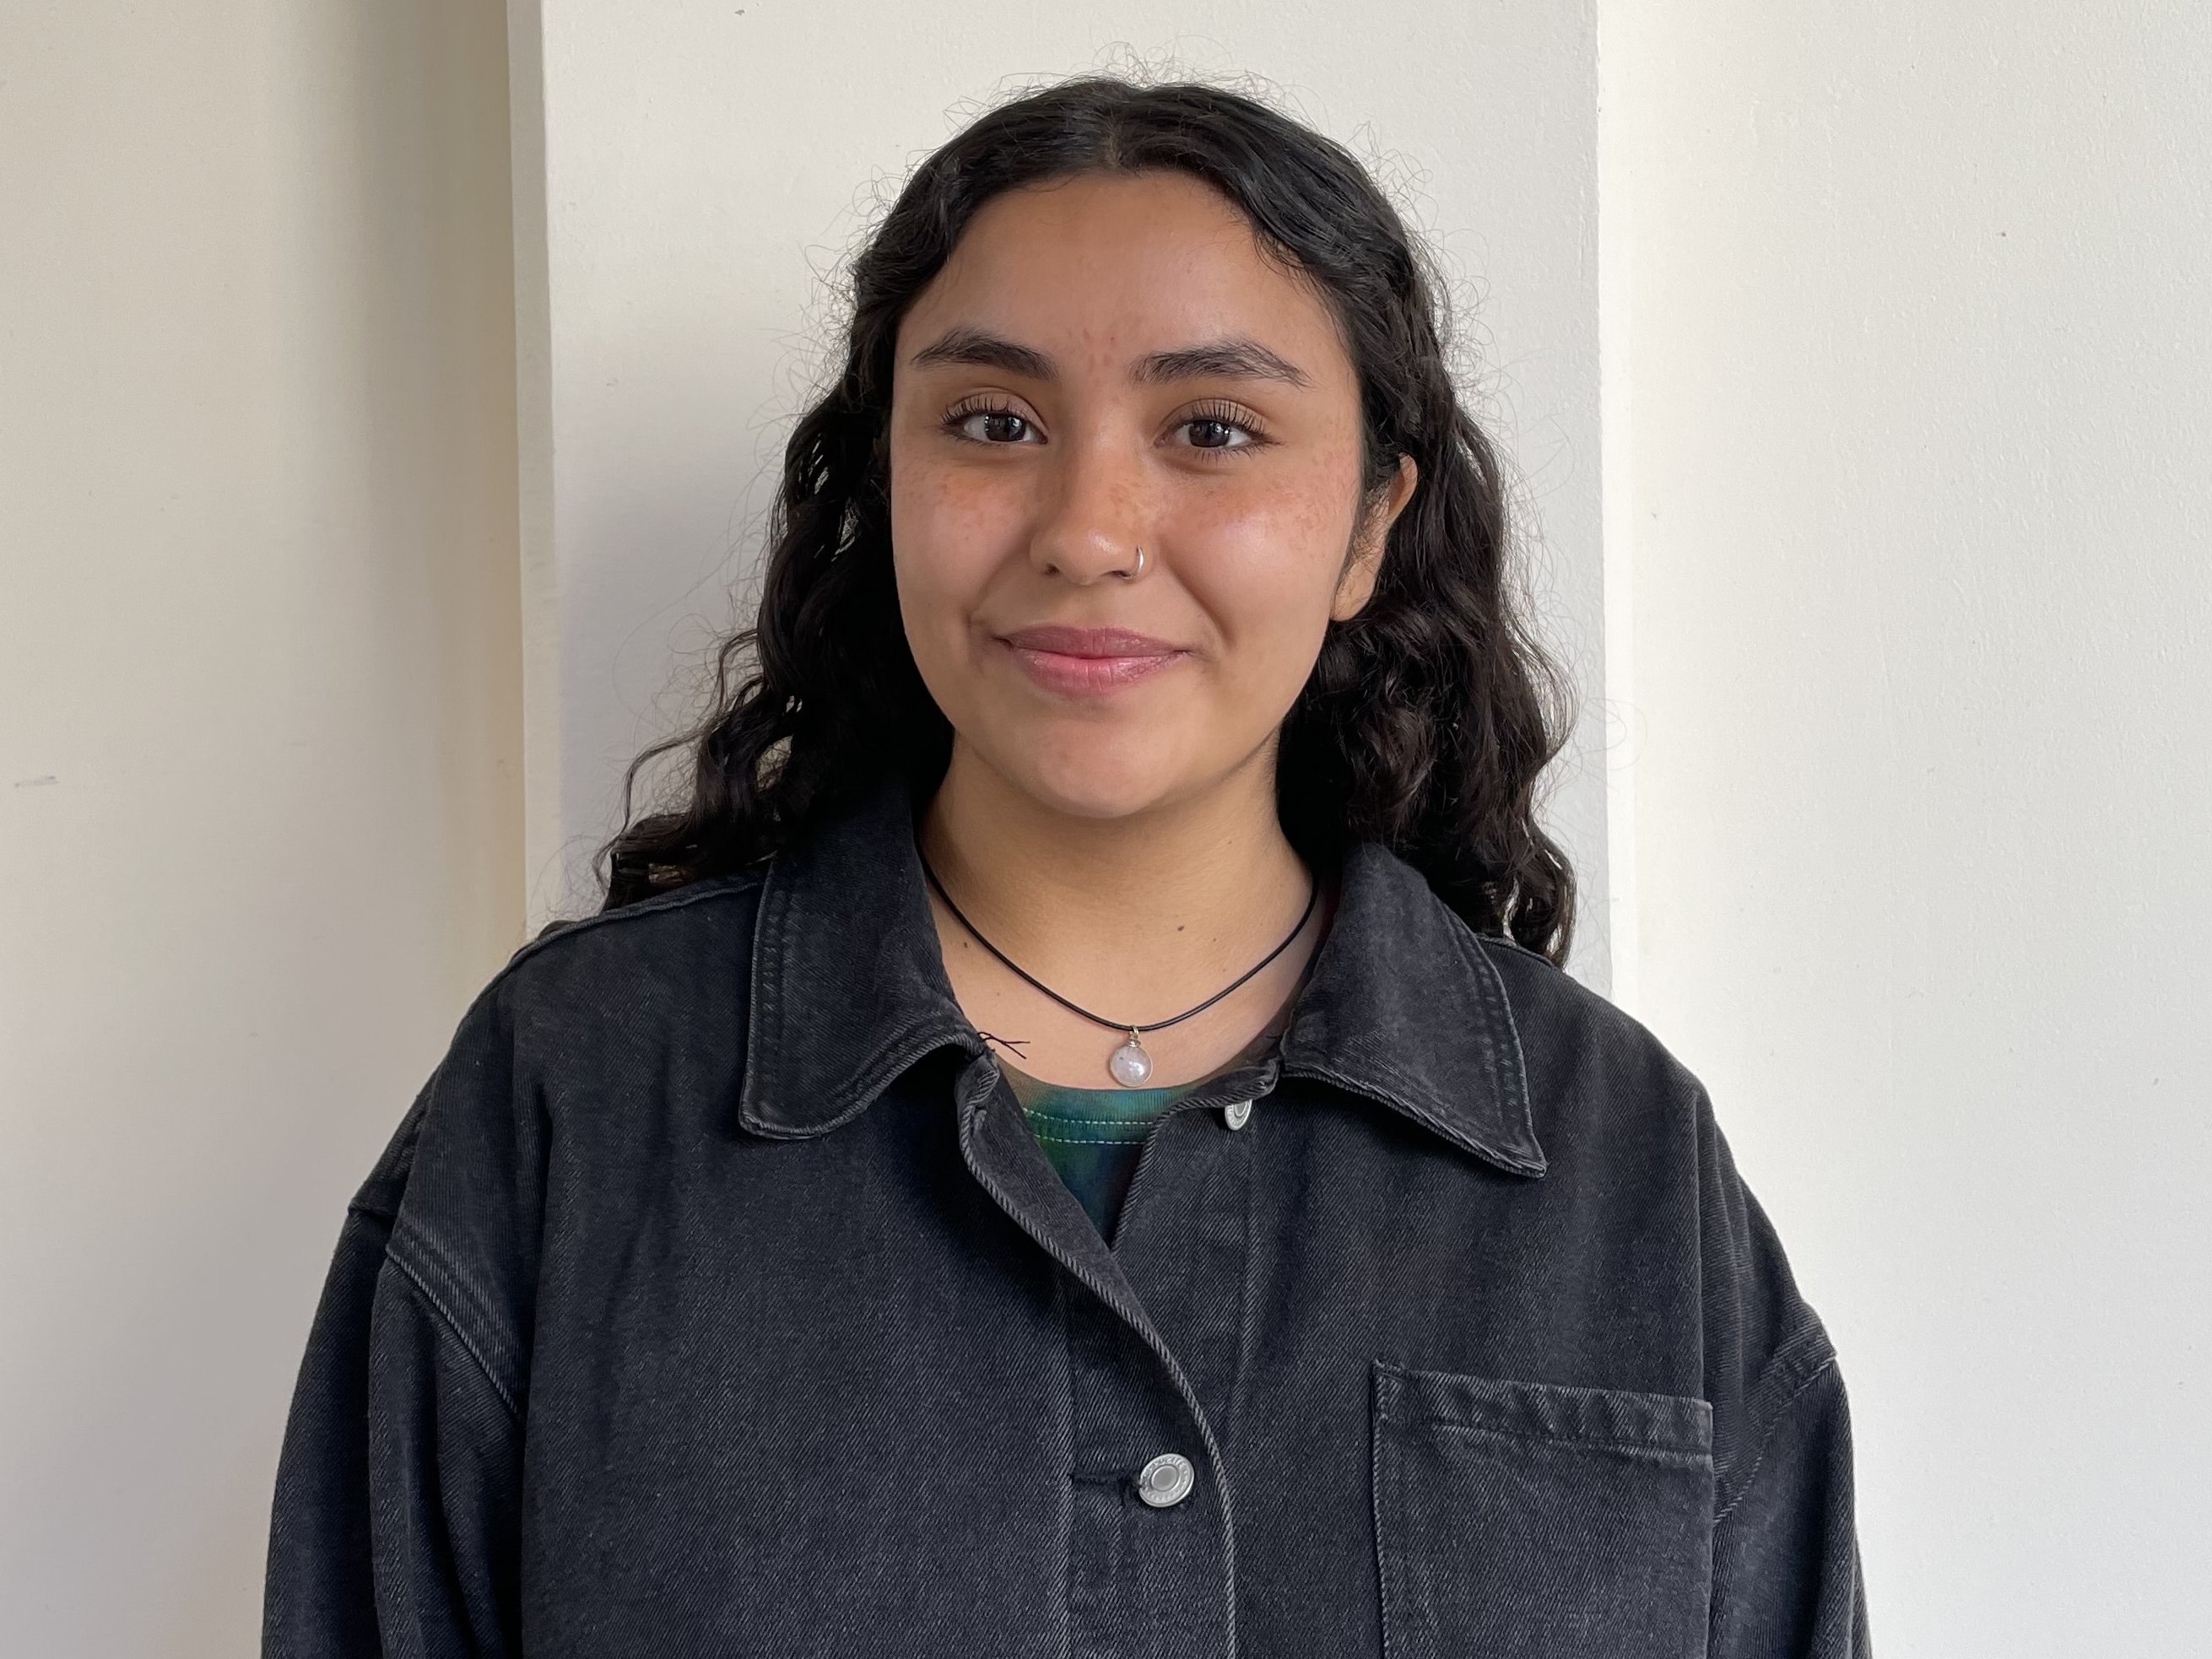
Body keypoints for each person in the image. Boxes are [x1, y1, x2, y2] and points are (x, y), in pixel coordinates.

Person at [262, 75, 1869, 1659]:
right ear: (885, 479)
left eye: (1213, 429)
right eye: (994, 422)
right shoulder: (576, 1092)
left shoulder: (1621, 1167)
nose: (1089, 528)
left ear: (1371, 524)